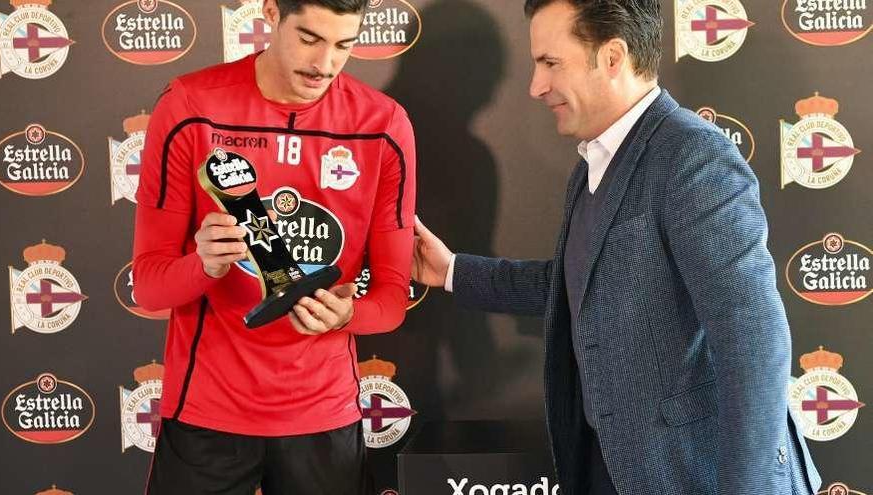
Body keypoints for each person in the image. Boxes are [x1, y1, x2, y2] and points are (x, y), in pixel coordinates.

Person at [411, 0, 819, 493]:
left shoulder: (692, 155)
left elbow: (753, 338)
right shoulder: (593, 162)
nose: (536, 87)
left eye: (550, 63)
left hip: (691, 477)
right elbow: (580, 282)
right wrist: (452, 271)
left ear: (612, 57)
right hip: (613, 468)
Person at [131, 0, 416, 492]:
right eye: (309, 38)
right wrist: (204, 265)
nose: (324, 64)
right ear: (270, 11)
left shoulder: (384, 126)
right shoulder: (189, 107)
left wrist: (348, 316)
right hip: (207, 414)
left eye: (344, 45)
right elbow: (149, 288)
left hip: (324, 415)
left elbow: (391, 297)